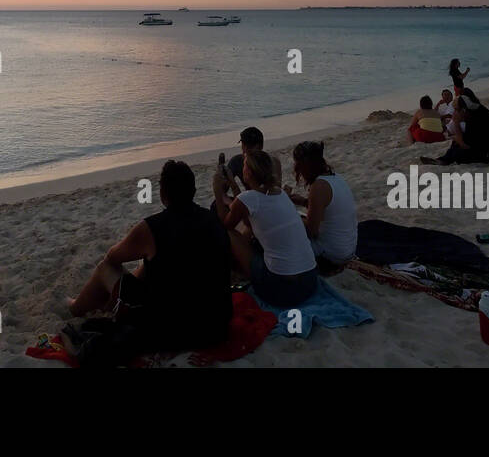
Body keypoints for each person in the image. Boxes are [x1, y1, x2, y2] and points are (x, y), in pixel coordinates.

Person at [69, 160, 232, 352]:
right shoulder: (213, 219)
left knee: (106, 267)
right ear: (194, 191)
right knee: (153, 263)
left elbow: (113, 256)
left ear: (163, 195)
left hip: (174, 331)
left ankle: (75, 308)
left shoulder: (152, 228)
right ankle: (108, 302)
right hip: (216, 326)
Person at [213, 150, 318, 307]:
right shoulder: (281, 194)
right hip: (310, 282)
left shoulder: (248, 199)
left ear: (247, 172)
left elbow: (224, 225)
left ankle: (233, 272)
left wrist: (217, 192)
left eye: (244, 165)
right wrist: (233, 188)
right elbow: (249, 220)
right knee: (250, 231)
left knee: (229, 234)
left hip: (282, 289)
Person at [284, 141, 358, 270]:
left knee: (283, 231)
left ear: (304, 165)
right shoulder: (337, 178)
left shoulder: (319, 186)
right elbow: (330, 208)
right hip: (348, 248)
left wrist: (288, 214)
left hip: (332, 254)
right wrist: (304, 202)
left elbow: (311, 232)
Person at [421, 88, 489, 165]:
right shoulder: (477, 111)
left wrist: (456, 123)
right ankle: (443, 160)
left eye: (457, 110)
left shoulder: (475, 120)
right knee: (456, 144)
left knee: (458, 151)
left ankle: (443, 161)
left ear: (464, 110)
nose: (455, 113)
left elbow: (464, 145)